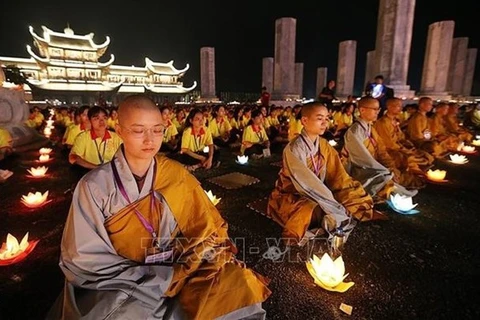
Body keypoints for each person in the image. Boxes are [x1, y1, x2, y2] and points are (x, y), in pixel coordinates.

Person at [47, 94, 270, 320]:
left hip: (181, 262)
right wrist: (157, 277)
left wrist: (202, 255)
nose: (149, 139)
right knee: (120, 313)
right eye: (138, 130)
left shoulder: (174, 173)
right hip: (124, 278)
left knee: (239, 287)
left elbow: (203, 224)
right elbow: (83, 256)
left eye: (157, 130)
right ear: (120, 131)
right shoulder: (94, 186)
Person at [268, 102, 377, 246]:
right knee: (311, 209)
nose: (325, 122)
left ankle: (331, 215)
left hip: (320, 189)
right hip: (294, 194)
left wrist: (342, 192)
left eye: (327, 118)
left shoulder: (324, 145)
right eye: (320, 118)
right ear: (305, 121)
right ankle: (330, 215)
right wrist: (332, 203)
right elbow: (306, 184)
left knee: (352, 193)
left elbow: (338, 174)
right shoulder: (294, 148)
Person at [343, 97, 419, 201]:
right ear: (362, 110)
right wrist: (384, 169)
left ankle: (397, 189)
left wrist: (390, 166)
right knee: (384, 175)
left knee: (393, 170)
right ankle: (399, 193)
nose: (377, 112)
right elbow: (362, 159)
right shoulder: (355, 131)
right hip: (359, 168)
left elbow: (381, 149)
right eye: (374, 109)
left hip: (372, 164)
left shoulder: (371, 128)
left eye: (378, 109)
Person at [373, 98, 434, 176]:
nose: (401, 108)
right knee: (407, 157)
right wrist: (404, 149)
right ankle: (413, 173)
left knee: (424, 155)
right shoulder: (383, 123)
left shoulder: (395, 120)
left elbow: (401, 137)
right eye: (398, 106)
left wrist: (408, 146)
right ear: (389, 107)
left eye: (401, 106)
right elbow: (389, 144)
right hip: (390, 150)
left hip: (400, 147)